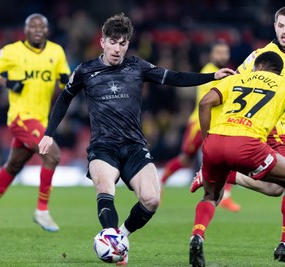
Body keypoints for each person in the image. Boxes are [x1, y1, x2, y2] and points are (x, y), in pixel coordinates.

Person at [38, 13, 234, 266]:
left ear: (127, 44)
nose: (117, 49)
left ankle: (120, 237)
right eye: (113, 42)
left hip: (134, 146)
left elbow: (173, 77)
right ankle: (111, 241)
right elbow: (64, 99)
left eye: (122, 43)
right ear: (102, 42)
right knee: (105, 187)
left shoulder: (136, 67)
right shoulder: (85, 70)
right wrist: (49, 133)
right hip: (103, 146)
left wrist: (212, 77)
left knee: (152, 199)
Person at [190, 6, 285, 255]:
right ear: (274, 26)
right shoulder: (261, 56)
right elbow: (239, 84)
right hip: (271, 131)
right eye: (280, 25)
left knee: (277, 188)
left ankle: (230, 177)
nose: (284, 31)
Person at [0, 13, 71, 234]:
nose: (37, 30)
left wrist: (68, 79)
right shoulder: (12, 51)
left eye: (42, 26)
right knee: (52, 154)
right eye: (33, 26)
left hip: (42, 121)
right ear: (25, 30)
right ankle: (42, 211)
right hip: (20, 117)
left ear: (47, 30)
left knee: (15, 165)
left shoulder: (56, 52)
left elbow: (65, 76)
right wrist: (6, 82)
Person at [160, 40, 240, 212]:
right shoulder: (209, 73)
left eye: (224, 52)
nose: (222, 56)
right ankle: (160, 182)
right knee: (185, 159)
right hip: (199, 125)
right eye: (218, 52)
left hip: (217, 125)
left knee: (227, 159)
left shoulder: (225, 72)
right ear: (211, 55)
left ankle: (225, 195)